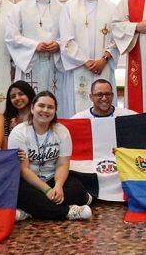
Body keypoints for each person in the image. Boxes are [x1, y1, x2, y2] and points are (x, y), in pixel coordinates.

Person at [8, 90, 93, 221]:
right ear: (32, 108)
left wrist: (58, 186)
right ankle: (68, 212)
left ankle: (29, 211)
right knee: (17, 192)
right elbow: (24, 170)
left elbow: (63, 164)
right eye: (41, 106)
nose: (45, 110)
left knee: (78, 189)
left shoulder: (62, 131)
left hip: (53, 178)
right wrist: (47, 190)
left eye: (50, 107)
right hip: (29, 181)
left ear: (55, 111)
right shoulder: (19, 132)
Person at [59, 0, 119, 118]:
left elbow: (118, 37)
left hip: (103, 66)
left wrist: (104, 59)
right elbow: (66, 40)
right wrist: (85, 61)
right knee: (79, 109)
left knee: (105, 105)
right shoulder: (69, 7)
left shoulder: (112, 8)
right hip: (80, 67)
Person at [5, 0, 64, 96]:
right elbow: (11, 37)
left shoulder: (61, 8)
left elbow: (68, 35)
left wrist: (58, 44)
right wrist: (35, 45)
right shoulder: (19, 8)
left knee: (54, 98)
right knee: (30, 99)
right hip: (31, 63)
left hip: (53, 63)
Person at [72, 78, 137, 120]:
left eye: (107, 94)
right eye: (99, 94)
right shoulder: (78, 119)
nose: (104, 98)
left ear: (112, 96)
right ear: (91, 97)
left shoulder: (128, 116)